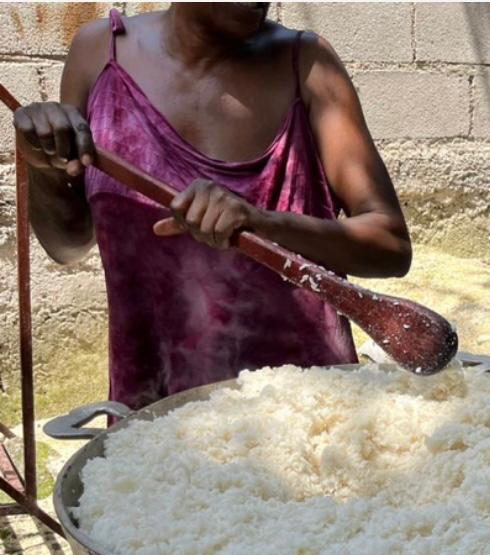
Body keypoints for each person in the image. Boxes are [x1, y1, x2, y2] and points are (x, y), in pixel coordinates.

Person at [11, 3, 411, 409]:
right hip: (155, 419)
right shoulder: (99, 55)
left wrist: (261, 223)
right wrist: (45, 170)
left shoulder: (307, 66)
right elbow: (67, 246)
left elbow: (390, 245)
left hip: (307, 413)